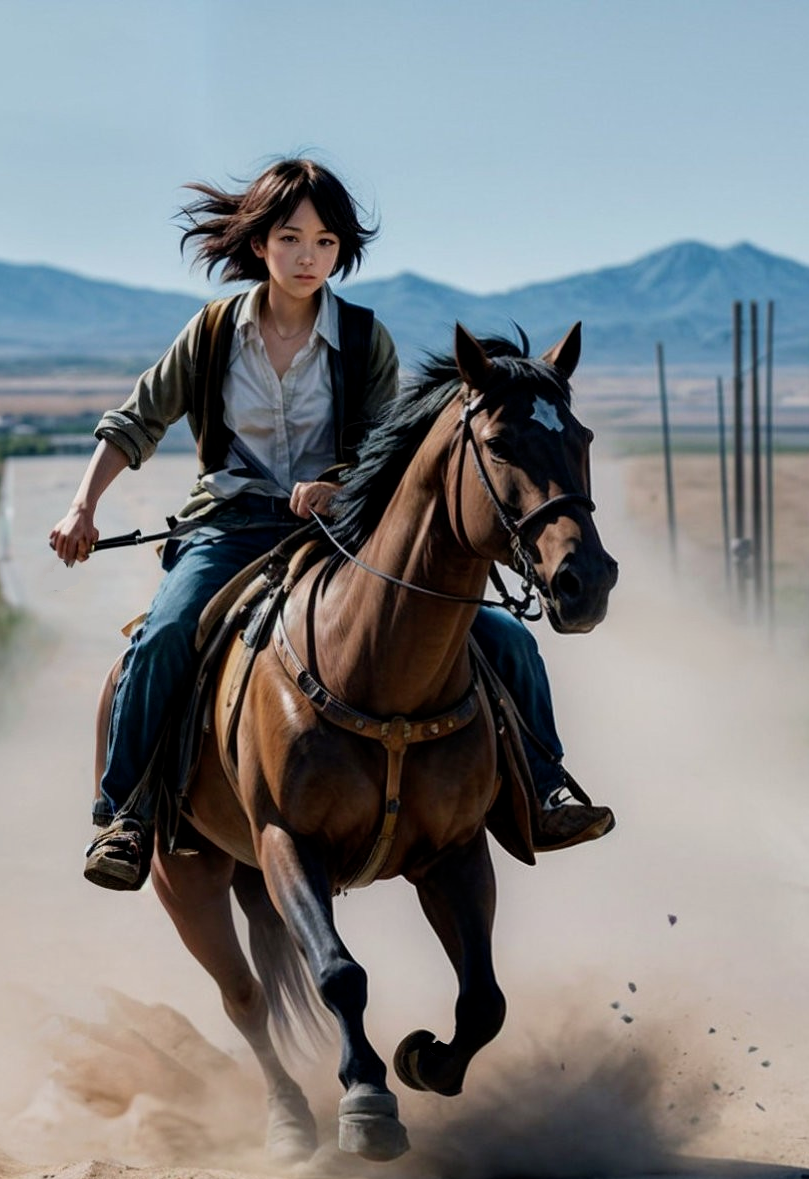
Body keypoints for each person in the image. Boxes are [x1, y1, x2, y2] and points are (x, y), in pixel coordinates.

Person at [48, 158, 613, 892]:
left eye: (324, 241)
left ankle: (544, 790)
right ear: (260, 244)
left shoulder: (365, 338)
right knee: (162, 636)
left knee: (504, 636)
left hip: (340, 534)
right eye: (290, 238)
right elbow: (135, 422)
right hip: (229, 527)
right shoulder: (213, 332)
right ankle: (125, 815)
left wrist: (338, 487)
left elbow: (388, 454)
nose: (307, 256)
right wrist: (82, 505)